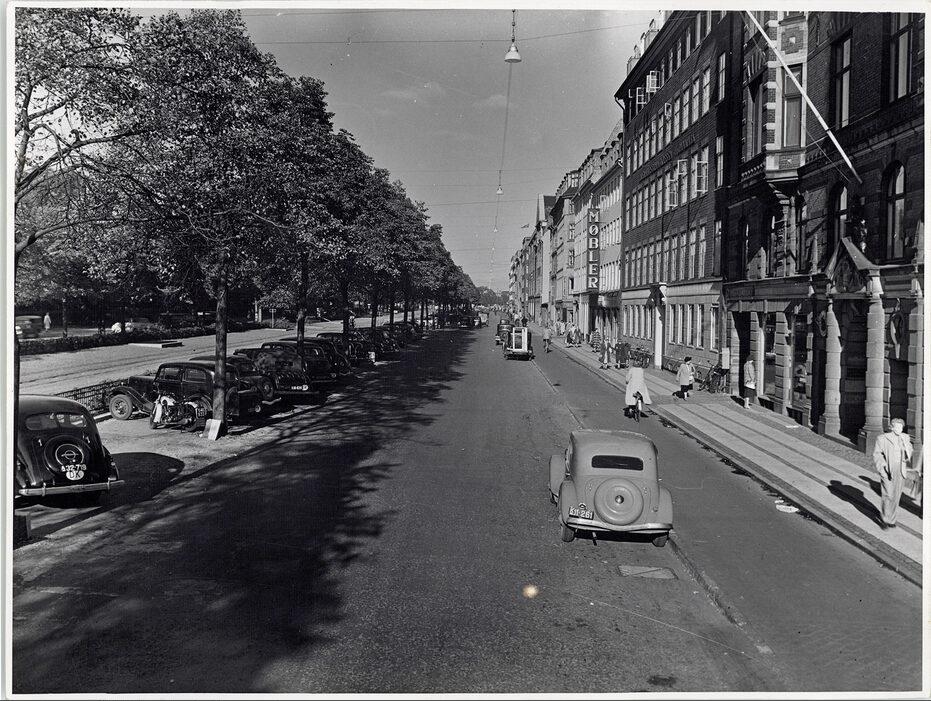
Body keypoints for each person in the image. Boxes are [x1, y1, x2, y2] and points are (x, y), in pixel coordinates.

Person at [872, 418, 915, 529]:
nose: (900, 429)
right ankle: (885, 519)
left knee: (896, 496)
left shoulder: (905, 437)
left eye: (901, 427)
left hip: (900, 469)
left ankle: (891, 519)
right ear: (891, 427)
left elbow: (910, 452)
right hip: (888, 469)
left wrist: (906, 448)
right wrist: (882, 468)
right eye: (897, 426)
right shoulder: (883, 438)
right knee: (888, 494)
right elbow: (877, 454)